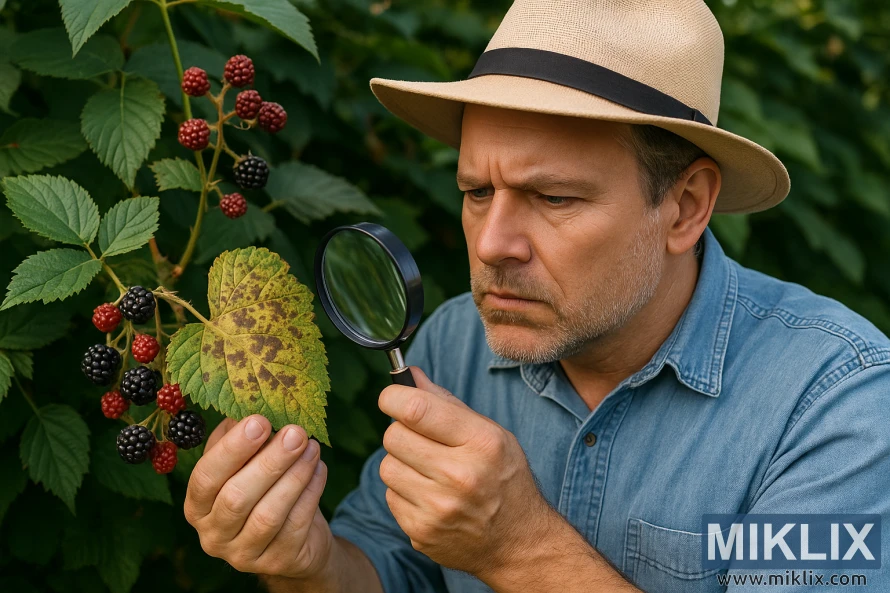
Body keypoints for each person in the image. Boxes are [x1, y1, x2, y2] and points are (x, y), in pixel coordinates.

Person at [182, 1, 890, 591]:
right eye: (476, 191)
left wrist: (519, 550)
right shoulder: (454, 343)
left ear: (685, 207)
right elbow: (388, 571)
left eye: (553, 198)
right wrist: (306, 564)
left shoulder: (836, 403)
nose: (493, 244)